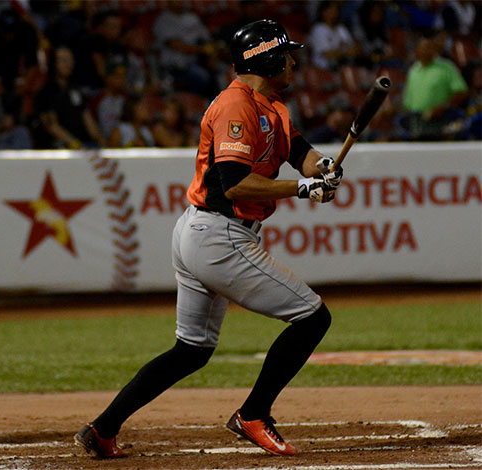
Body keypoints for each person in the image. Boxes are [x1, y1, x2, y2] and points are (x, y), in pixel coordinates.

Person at [75, 19, 341, 459]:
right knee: (313, 318)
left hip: (202, 232)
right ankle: (254, 414)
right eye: (286, 54)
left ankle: (102, 429)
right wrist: (302, 189)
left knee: (191, 350)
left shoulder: (271, 103)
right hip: (221, 236)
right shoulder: (235, 107)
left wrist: (322, 167)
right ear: (267, 59)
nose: (293, 62)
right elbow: (236, 183)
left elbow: (298, 151)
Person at [32, 46, 105, 149]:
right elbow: (52, 126)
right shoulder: (45, 92)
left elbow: (87, 119)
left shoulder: (76, 90)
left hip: (82, 144)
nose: (68, 64)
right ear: (54, 63)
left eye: (70, 60)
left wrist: (102, 142)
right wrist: (76, 145)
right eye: (63, 60)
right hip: (58, 146)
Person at [400, 36, 469, 140]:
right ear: (417, 50)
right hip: (417, 119)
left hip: (442, 118)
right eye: (425, 48)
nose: (429, 51)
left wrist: (443, 107)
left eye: (431, 48)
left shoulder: (446, 67)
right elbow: (408, 100)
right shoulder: (413, 70)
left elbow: (461, 92)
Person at [308, 1, 360, 71]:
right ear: (323, 11)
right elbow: (327, 54)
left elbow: (354, 49)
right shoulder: (318, 29)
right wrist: (344, 52)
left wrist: (348, 51)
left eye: (336, 10)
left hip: (342, 68)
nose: (334, 13)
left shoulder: (341, 28)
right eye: (331, 10)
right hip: (323, 69)